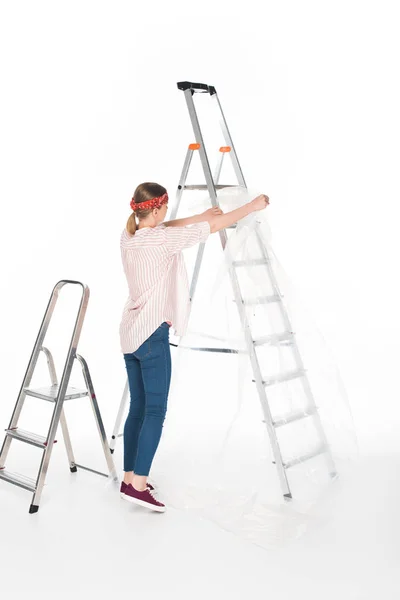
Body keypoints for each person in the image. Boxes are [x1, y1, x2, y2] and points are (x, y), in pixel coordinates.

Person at [119, 182, 269, 512]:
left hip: (130, 335)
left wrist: (194, 216)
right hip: (152, 334)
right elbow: (213, 227)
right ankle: (138, 486)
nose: (167, 215)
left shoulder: (129, 236)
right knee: (155, 412)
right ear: (155, 210)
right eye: (165, 209)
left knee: (139, 408)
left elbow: (168, 226)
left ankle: (129, 478)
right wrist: (251, 206)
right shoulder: (159, 240)